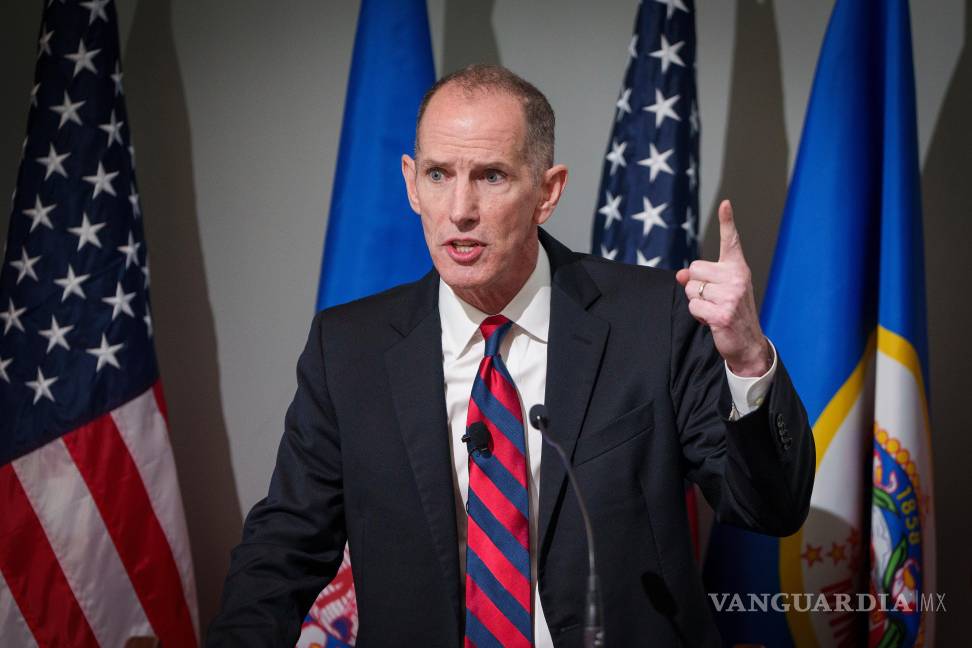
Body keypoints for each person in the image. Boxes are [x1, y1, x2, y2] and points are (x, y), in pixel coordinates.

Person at [208, 65, 814, 647]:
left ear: (548, 192)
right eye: (438, 174)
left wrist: (748, 358)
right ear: (410, 183)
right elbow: (285, 545)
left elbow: (771, 509)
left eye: (491, 176)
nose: (460, 210)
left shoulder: (653, 321)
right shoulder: (349, 349)